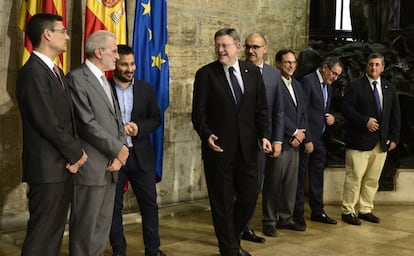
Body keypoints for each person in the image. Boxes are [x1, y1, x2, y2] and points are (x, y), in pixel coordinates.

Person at [192, 28, 271, 256]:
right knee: (223, 204)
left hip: (248, 150)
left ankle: (231, 239)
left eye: (225, 45)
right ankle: (229, 249)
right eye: (217, 45)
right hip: (218, 150)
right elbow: (199, 114)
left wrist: (264, 135)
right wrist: (207, 134)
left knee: (248, 198)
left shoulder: (252, 72)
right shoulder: (206, 74)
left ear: (237, 47)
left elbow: (261, 109)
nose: (220, 50)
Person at [16, 13, 88, 255]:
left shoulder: (54, 71)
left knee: (53, 236)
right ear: (47, 34)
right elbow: (46, 121)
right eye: (63, 31)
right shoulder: (33, 72)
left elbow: (67, 119)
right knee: (41, 236)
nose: (67, 36)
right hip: (47, 169)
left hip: (60, 168)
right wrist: (76, 153)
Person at [67, 30, 129, 255]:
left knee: (102, 226)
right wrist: (118, 149)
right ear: (98, 51)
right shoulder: (77, 78)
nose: (117, 56)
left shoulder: (105, 79)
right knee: (85, 228)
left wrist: (121, 151)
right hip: (91, 166)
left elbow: (116, 120)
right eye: (113, 51)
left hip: (111, 164)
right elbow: (86, 122)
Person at [108, 45, 165, 256]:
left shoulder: (145, 88)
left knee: (149, 205)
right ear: (115, 63)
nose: (129, 68)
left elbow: (156, 119)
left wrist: (139, 128)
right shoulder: (104, 88)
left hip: (140, 156)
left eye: (132, 64)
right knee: (114, 208)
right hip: (114, 156)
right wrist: (118, 130)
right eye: (124, 64)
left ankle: (153, 250)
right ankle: (119, 251)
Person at [341, 52, 400, 225]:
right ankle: (348, 211)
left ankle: (366, 209)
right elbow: (346, 108)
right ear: (366, 66)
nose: (373, 67)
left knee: (372, 179)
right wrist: (364, 121)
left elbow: (395, 114)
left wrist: (394, 137)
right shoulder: (356, 86)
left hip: (381, 143)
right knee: (354, 178)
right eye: (370, 64)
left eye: (377, 64)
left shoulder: (389, 88)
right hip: (359, 141)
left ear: (382, 67)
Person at [240, 32, 284, 243]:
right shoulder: (236, 70)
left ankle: (249, 226)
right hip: (241, 141)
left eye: (256, 47)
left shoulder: (275, 76)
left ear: (265, 49)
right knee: (241, 187)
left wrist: (277, 140)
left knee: (257, 186)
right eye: (248, 46)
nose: (251, 51)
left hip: (264, 142)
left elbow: (278, 110)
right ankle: (238, 227)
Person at [262, 49, 309, 236]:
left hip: (296, 143)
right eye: (287, 62)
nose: (291, 66)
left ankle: (285, 218)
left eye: (294, 62)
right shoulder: (273, 84)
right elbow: (275, 112)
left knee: (290, 184)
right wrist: (294, 132)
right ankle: (269, 220)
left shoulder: (297, 85)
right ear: (278, 64)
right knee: (274, 182)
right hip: (280, 140)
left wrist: (302, 134)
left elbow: (303, 111)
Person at [293, 57, 343, 228]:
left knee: (317, 177)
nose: (335, 78)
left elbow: (323, 109)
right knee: (300, 179)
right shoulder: (308, 81)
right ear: (324, 68)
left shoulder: (328, 84)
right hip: (307, 140)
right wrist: (307, 139)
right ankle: (297, 214)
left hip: (321, 139)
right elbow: (302, 111)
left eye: (338, 75)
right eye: (334, 73)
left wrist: (332, 118)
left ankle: (317, 211)